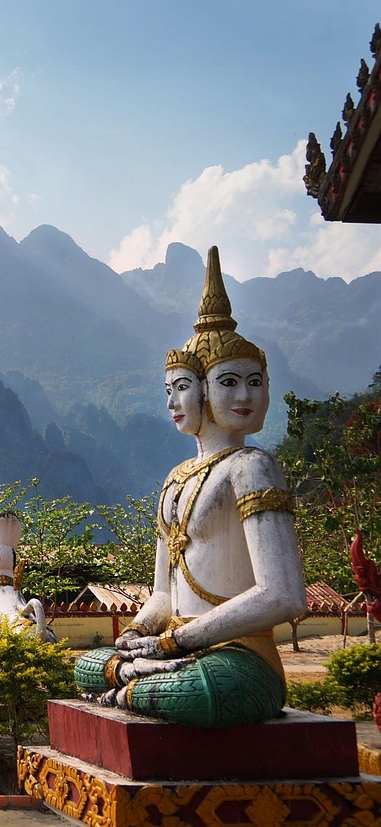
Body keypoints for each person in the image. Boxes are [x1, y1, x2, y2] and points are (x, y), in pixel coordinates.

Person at [74, 247, 307, 728]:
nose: (244, 396)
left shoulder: (252, 468)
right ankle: (137, 678)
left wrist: (174, 644)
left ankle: (135, 683)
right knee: (86, 664)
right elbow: (165, 595)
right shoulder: (175, 480)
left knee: (203, 691)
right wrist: (138, 633)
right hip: (171, 651)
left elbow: (283, 595)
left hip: (238, 660)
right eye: (173, 390)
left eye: (253, 382)